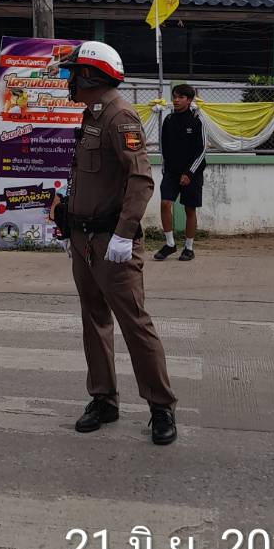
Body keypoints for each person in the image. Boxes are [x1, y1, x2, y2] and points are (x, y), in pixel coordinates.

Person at [54, 42, 177, 443]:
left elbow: (140, 180)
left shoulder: (119, 116)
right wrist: (68, 219)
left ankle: (161, 407)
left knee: (134, 323)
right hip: (84, 239)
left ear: (91, 75)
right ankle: (103, 399)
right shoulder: (92, 115)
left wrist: (124, 235)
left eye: (73, 73)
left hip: (112, 242)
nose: (69, 80)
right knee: (94, 320)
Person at [154, 83, 205, 262]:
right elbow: (164, 148)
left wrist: (189, 173)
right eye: (174, 97)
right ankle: (170, 244)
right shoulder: (168, 120)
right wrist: (166, 170)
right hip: (171, 172)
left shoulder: (197, 120)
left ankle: (189, 248)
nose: (176, 100)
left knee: (189, 209)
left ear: (189, 100)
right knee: (165, 204)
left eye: (181, 97)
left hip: (192, 173)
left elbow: (202, 150)